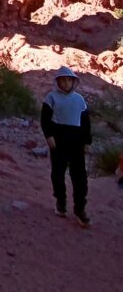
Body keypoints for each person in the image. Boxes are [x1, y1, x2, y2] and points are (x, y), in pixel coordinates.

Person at [40, 65, 92, 226]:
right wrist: (49, 137)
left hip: (76, 140)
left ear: (73, 82)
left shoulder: (80, 100)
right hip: (59, 139)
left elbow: (86, 123)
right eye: (63, 80)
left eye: (69, 80)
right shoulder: (51, 98)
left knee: (80, 176)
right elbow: (45, 120)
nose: (66, 83)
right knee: (58, 173)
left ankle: (80, 209)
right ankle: (61, 202)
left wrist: (87, 141)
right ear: (58, 82)